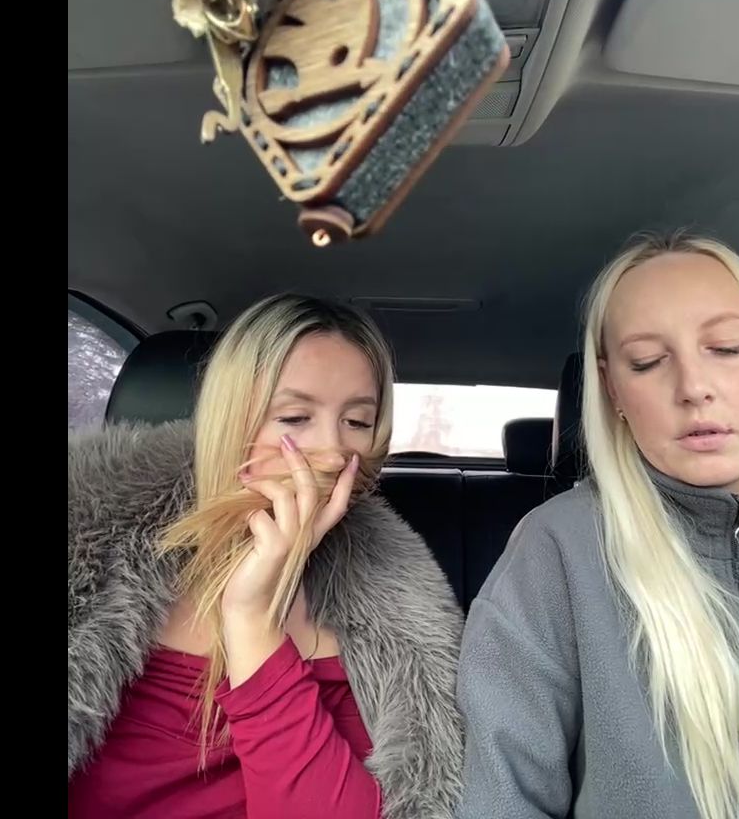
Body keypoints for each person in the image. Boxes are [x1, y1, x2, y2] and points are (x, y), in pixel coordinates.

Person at [68, 294, 465, 819]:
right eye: (295, 417)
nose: (333, 451)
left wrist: (253, 622)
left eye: (358, 421)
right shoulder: (89, 538)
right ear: (231, 422)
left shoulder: (388, 612)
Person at [456, 232, 739, 819]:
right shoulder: (560, 549)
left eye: (727, 347)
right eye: (649, 362)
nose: (694, 387)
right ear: (613, 390)